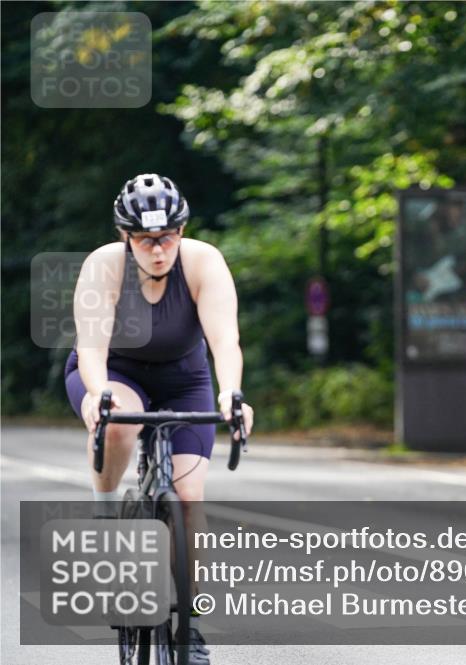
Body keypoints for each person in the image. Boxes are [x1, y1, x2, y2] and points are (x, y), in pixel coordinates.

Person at [64, 173, 255, 664]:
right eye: (146, 239)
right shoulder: (103, 267)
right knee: (121, 420)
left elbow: (224, 342)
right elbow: (91, 346)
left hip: (183, 378)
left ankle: (190, 625)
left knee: (189, 498)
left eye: (168, 236)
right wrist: (98, 391)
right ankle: (106, 519)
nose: (157, 249)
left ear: (182, 231)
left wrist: (233, 394)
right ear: (124, 237)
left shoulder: (203, 262)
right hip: (116, 371)